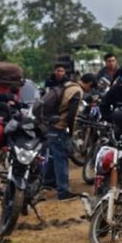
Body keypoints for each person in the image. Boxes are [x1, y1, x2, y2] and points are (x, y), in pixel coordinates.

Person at [38, 65, 83, 200]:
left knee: (52, 154)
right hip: (59, 126)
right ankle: (63, 191)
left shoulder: (66, 86)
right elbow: (72, 115)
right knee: (61, 158)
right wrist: (70, 130)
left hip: (50, 123)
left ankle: (48, 181)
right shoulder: (76, 91)